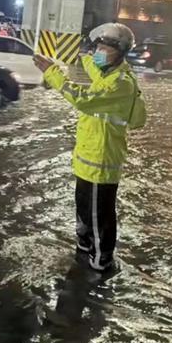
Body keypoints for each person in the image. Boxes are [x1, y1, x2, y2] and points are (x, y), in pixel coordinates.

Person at [33, 23, 146, 273]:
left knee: (99, 218)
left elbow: (82, 100)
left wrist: (53, 72)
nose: (99, 51)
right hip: (87, 161)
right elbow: (92, 67)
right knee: (83, 211)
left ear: (119, 51)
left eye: (104, 47)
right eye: (98, 46)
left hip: (102, 164)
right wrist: (77, 57)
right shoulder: (107, 72)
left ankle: (102, 263)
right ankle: (83, 250)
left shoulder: (120, 83)